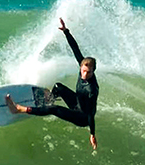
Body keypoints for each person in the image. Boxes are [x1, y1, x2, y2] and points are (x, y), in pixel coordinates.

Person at [6, 18, 99, 150]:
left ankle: (18, 109)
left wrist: (92, 134)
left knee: (54, 109)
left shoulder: (92, 90)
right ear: (81, 67)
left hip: (82, 117)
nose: (85, 75)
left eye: (89, 73)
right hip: (77, 103)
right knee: (57, 87)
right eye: (83, 71)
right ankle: (47, 101)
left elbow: (90, 114)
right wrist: (66, 31)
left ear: (93, 71)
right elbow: (75, 49)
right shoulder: (82, 65)